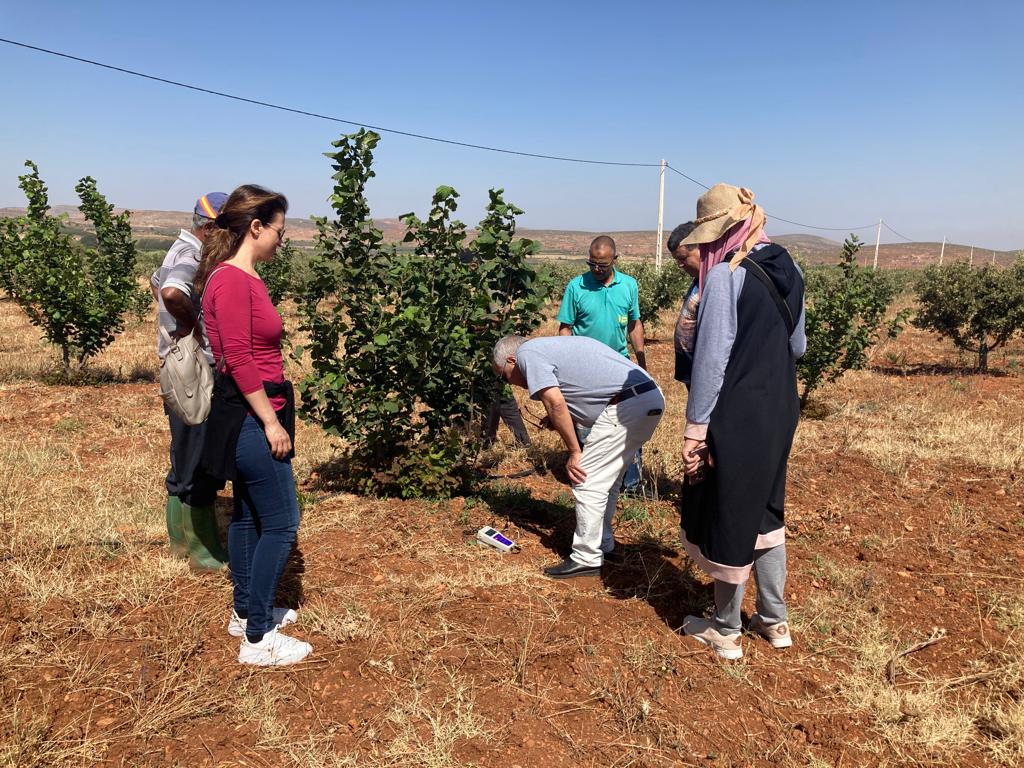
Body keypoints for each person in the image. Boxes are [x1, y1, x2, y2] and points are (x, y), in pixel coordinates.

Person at [676, 184, 806, 660]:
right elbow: (799, 346)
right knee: (766, 511)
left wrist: (695, 429)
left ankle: (726, 629)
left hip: (738, 411)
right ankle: (775, 621)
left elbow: (711, 362)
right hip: (780, 407)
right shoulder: (787, 265)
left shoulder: (727, 275)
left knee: (728, 511)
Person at [194, 185, 310, 666]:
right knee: (282, 523)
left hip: (250, 409)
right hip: (252, 414)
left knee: (247, 514)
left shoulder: (234, 277)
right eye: (279, 231)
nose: (283, 240)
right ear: (256, 227)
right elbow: (239, 359)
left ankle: (246, 612)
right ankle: (259, 639)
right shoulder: (235, 281)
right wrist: (270, 422)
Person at [492, 334, 664, 579]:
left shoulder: (527, 354)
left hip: (628, 405)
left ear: (511, 360)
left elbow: (556, 404)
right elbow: (584, 389)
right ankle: (604, 544)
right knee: (610, 482)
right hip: (648, 399)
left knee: (585, 480)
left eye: (504, 375)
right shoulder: (550, 347)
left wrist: (575, 451)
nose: (509, 383)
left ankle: (586, 558)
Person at [151, 192, 229, 570]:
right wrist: (193, 327)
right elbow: (170, 291)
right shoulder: (193, 254)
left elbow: (155, 281)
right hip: (195, 372)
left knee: (184, 451)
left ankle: (180, 543)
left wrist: (170, 332)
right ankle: (203, 552)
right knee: (199, 457)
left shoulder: (178, 248)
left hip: (178, 367)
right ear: (211, 226)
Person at [556, 235, 647, 493]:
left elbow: (634, 323)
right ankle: (593, 482)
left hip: (620, 368)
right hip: (585, 371)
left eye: (602, 265)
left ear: (614, 260)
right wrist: (568, 364)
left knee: (629, 423)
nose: (596, 269)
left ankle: (631, 484)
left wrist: (641, 360)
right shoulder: (576, 287)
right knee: (588, 427)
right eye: (592, 264)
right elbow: (565, 327)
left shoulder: (629, 285)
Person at [666, 221, 700, 387]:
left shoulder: (715, 284)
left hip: (703, 372)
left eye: (683, 258)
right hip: (692, 371)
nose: (680, 265)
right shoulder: (697, 281)